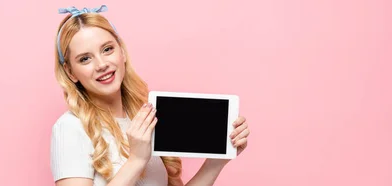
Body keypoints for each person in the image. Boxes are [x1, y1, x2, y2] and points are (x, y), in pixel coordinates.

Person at [50, 5, 250, 186]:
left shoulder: (144, 118)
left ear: (122, 52)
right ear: (70, 72)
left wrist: (216, 162)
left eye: (107, 49)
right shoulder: (70, 127)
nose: (102, 64)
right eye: (85, 59)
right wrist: (137, 159)